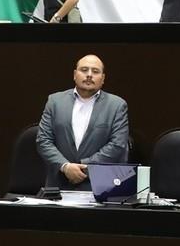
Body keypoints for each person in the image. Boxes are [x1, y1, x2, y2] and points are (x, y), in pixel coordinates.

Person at [35, 54, 129, 189]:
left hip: (98, 186)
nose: (89, 75)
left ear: (102, 78)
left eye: (95, 71)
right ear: (74, 74)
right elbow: (43, 140)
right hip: (59, 185)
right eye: (84, 70)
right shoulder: (55, 101)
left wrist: (84, 167)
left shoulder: (117, 105)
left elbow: (117, 145)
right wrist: (66, 167)